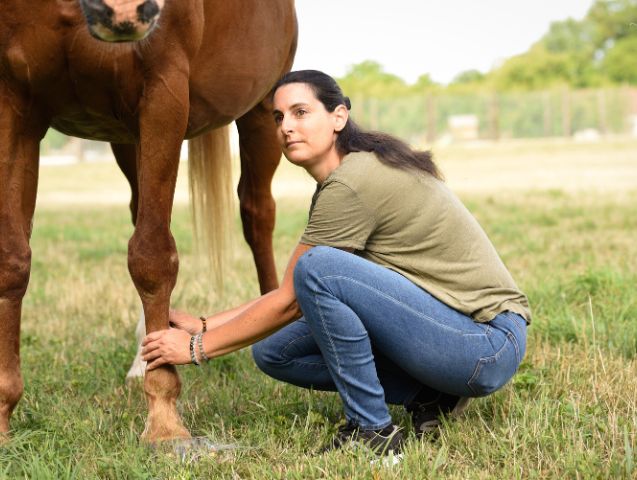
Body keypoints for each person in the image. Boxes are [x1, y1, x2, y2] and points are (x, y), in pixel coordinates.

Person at [141, 70, 530, 455]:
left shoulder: (351, 183)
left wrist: (196, 347)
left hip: (485, 343)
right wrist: (208, 324)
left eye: (300, 112)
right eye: (278, 118)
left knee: (319, 268)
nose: (286, 127)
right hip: (455, 334)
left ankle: (372, 431)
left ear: (339, 116)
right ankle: (430, 396)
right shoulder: (346, 176)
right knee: (275, 350)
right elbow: (296, 291)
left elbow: (294, 295)